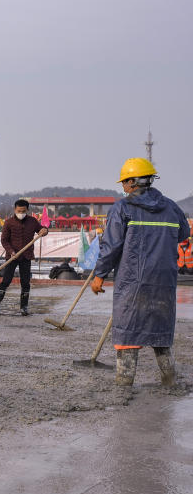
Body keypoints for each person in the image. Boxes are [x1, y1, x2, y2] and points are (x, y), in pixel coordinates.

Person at [91, 158, 189, 388]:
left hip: (133, 282)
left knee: (128, 332)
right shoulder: (172, 207)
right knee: (161, 333)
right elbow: (183, 233)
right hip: (164, 282)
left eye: (125, 182)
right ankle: (170, 382)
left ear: (134, 182)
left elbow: (111, 246)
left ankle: (124, 389)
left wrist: (99, 276)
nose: (123, 187)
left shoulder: (122, 208)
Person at [0, 199, 48, 316]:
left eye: (23, 211)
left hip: (26, 256)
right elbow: (4, 240)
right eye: (19, 211)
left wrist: (45, 230)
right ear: (15, 210)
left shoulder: (32, 221)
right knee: (6, 281)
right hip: (12, 257)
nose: (21, 213)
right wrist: (11, 251)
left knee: (25, 282)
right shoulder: (8, 222)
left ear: (27, 210)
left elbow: (41, 230)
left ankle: (24, 308)